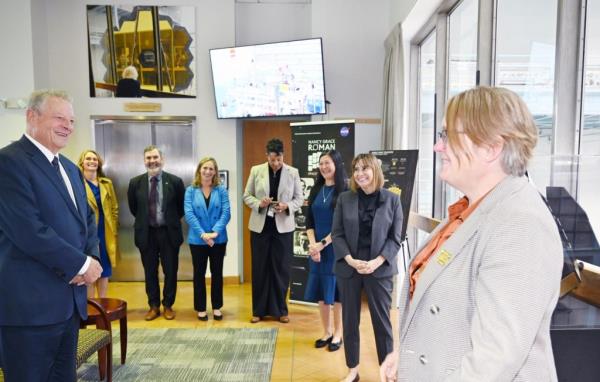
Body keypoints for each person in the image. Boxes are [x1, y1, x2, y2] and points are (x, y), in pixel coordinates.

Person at [380, 86, 564, 382]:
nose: (438, 147)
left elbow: (491, 362)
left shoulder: (520, 223)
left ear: (492, 147)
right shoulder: (470, 212)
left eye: (447, 136)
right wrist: (406, 356)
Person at [0, 90, 103, 381]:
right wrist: (80, 265)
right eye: (59, 117)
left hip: (68, 305)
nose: (68, 126)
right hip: (29, 309)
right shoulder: (9, 163)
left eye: (71, 120)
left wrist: (90, 260)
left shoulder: (70, 168)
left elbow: (87, 220)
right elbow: (28, 230)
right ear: (31, 117)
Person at [332, 152, 403, 382]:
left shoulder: (393, 200)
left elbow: (395, 238)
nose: (360, 174)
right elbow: (338, 233)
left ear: (375, 170)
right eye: (356, 169)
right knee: (350, 322)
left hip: (379, 268)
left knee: (382, 324)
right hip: (349, 267)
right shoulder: (345, 199)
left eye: (365, 168)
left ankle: (388, 373)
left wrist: (378, 261)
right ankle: (352, 370)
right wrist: (350, 259)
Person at [243, 138, 303, 323]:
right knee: (260, 268)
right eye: (272, 159)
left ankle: (280, 310)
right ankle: (258, 310)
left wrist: (286, 206)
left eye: (279, 159)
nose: (276, 163)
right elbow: (247, 195)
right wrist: (259, 204)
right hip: (260, 227)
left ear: (283, 156)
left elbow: (299, 199)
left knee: (281, 269)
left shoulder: (293, 172)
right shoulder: (256, 170)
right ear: (267, 156)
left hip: (283, 228)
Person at [127, 145, 185, 320]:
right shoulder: (135, 183)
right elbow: (134, 208)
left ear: (162, 159)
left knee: (170, 270)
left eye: (155, 157)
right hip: (147, 234)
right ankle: (153, 306)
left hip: (169, 234)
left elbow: (180, 208)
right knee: (150, 271)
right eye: (148, 158)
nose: (152, 161)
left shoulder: (175, 182)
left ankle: (168, 305)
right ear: (144, 161)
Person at [304, 150, 347, 352]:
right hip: (317, 250)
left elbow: (342, 225)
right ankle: (327, 332)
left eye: (327, 163)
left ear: (336, 164)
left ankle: (339, 334)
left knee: (337, 295)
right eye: (321, 163)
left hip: (335, 249)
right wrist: (313, 245)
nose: (324, 167)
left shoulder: (345, 190)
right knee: (322, 294)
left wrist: (322, 244)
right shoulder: (316, 189)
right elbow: (309, 220)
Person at [184, 157, 231, 321]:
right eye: (205, 168)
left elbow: (226, 213)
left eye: (211, 169)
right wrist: (203, 234)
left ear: (215, 172)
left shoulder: (221, 190)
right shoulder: (190, 190)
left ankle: (217, 307)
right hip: (197, 240)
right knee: (199, 274)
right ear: (199, 170)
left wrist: (214, 233)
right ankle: (201, 308)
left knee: (217, 274)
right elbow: (189, 214)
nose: (208, 171)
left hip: (218, 240)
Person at [78, 149, 120, 298]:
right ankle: (91, 306)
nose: (92, 161)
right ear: (82, 163)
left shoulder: (106, 184)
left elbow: (114, 207)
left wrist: (113, 226)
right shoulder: (77, 184)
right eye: (88, 159)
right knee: (89, 269)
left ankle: (103, 304)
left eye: (95, 159)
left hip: (105, 231)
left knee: (105, 270)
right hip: (87, 233)